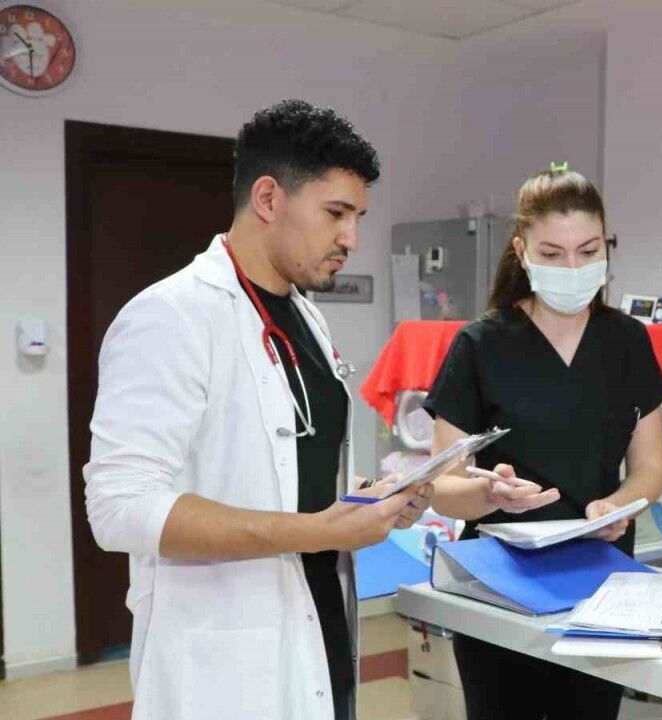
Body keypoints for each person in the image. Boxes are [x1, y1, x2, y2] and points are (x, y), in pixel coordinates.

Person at [84, 99, 430, 720]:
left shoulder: (306, 317)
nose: (351, 239)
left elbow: (288, 472)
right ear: (268, 198)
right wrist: (321, 531)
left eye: (358, 217)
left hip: (321, 626)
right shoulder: (171, 316)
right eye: (336, 213)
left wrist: (371, 500)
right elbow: (118, 506)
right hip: (227, 662)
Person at [426, 166, 662, 720]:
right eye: (553, 254)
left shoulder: (627, 342)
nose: (573, 269)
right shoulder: (480, 346)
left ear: (606, 246)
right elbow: (442, 486)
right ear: (522, 251)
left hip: (601, 585)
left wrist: (620, 504)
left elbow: (650, 467)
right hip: (498, 586)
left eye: (588, 251)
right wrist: (489, 494)